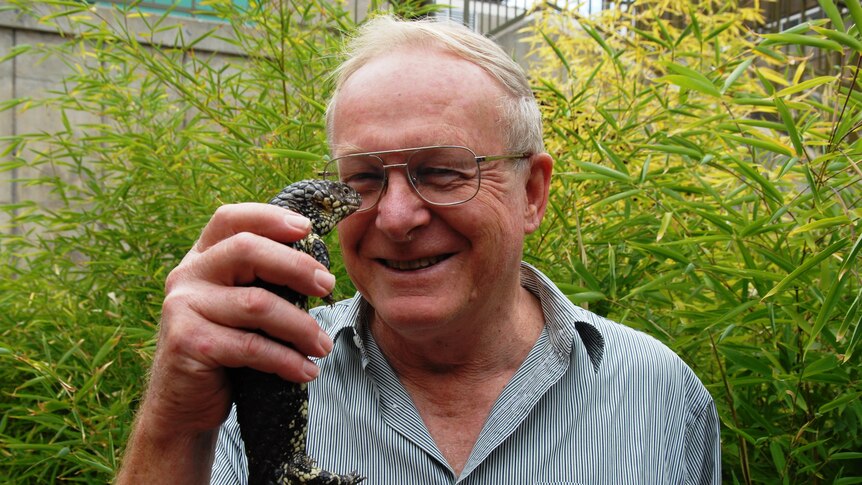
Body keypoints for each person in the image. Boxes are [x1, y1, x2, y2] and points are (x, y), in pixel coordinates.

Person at [117, 15, 721, 484]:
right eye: (363, 179)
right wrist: (173, 427)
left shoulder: (661, 394)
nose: (396, 217)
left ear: (531, 193)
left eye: (443, 172)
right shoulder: (248, 374)